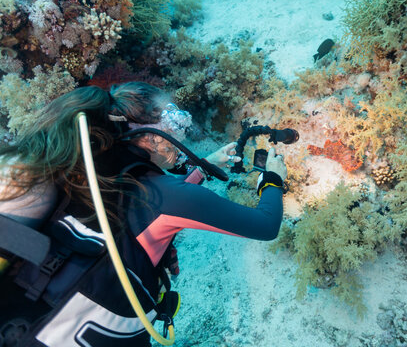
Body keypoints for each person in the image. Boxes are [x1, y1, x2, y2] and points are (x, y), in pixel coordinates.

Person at [0, 82, 287, 346]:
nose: (180, 131)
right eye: (173, 119)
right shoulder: (164, 194)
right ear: (147, 135)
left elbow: (145, 209)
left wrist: (204, 166)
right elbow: (264, 225)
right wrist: (273, 180)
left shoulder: (92, 176)